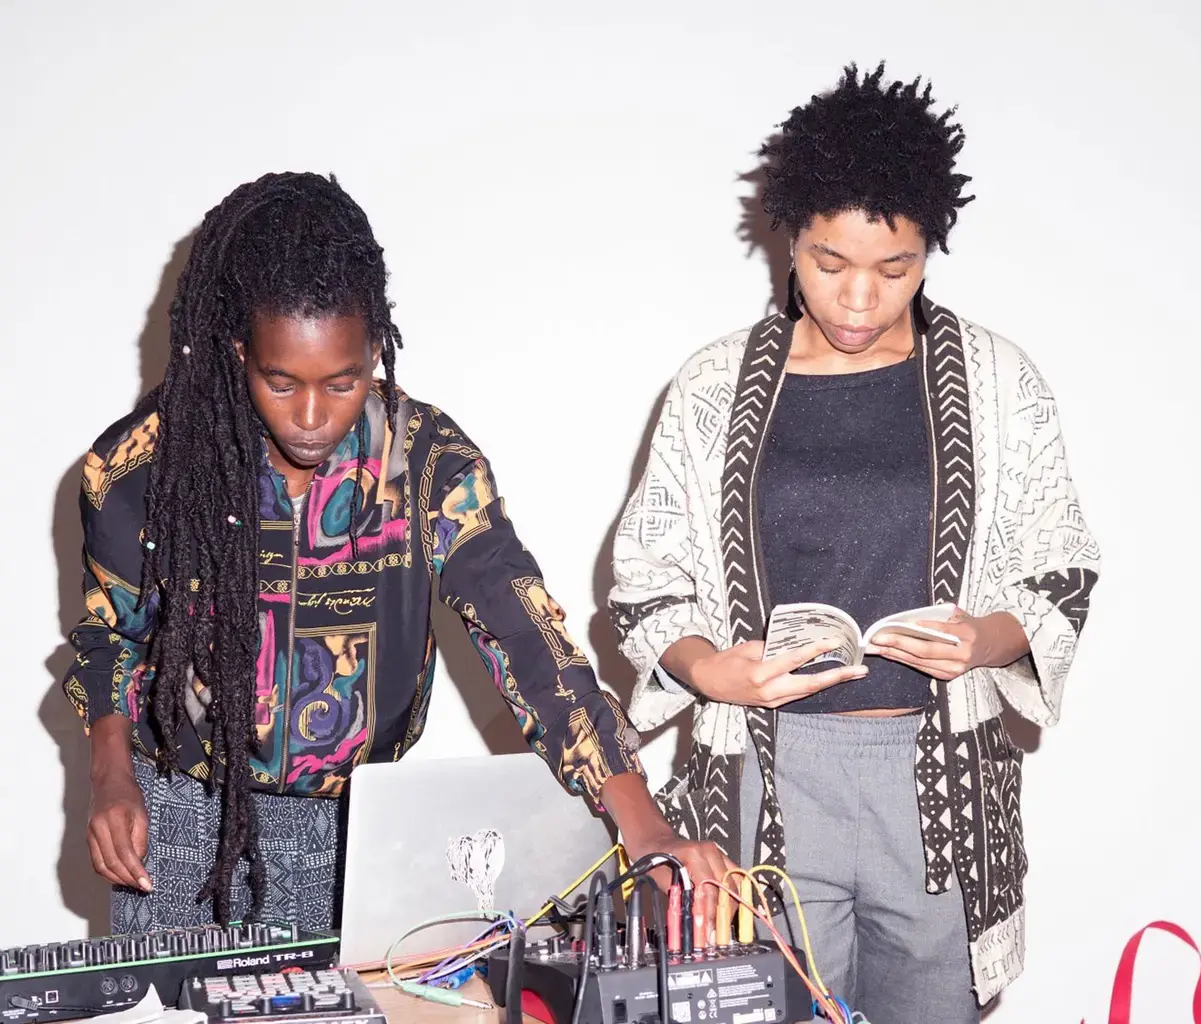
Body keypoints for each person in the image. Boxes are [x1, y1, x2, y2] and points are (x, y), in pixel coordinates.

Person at [63, 171, 727, 933]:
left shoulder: (428, 464)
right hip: (177, 827)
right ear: (237, 348)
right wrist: (111, 776)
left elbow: (524, 633)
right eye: (280, 382)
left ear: (377, 347)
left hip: (359, 834)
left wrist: (640, 823)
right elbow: (109, 636)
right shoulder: (144, 468)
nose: (312, 416)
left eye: (343, 381)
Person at [609, 63, 1101, 1023]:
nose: (861, 299)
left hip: (939, 782)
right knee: (765, 1006)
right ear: (789, 240)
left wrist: (983, 639)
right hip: (765, 772)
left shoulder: (999, 382)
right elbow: (646, 583)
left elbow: (1062, 567)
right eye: (830, 264)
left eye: (896, 267)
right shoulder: (714, 388)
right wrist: (713, 671)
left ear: (931, 250)